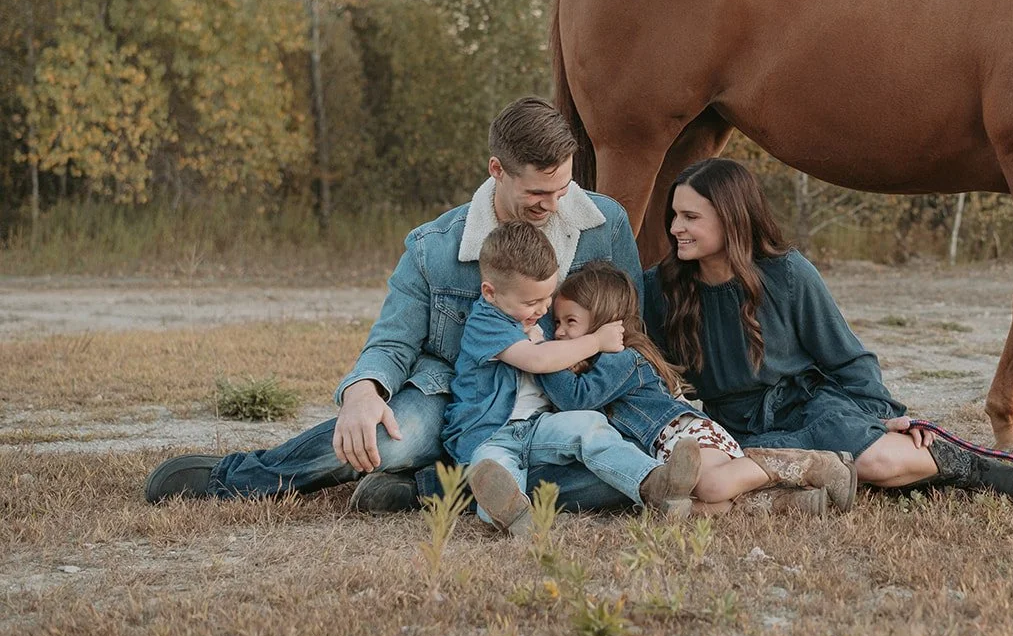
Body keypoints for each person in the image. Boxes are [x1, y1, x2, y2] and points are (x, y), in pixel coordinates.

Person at [143, 96, 646, 514]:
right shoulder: (435, 247)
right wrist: (363, 392)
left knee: (621, 464)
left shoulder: (606, 224)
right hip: (459, 400)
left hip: (571, 393)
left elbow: (633, 326)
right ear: (497, 170)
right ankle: (237, 476)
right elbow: (393, 339)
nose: (553, 205)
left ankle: (427, 490)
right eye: (538, 192)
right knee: (386, 443)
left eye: (563, 189)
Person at [643, 158, 1013, 499]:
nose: (676, 227)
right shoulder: (660, 289)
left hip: (809, 410)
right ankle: (838, 472)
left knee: (879, 462)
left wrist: (879, 416)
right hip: (736, 431)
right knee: (712, 482)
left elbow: (849, 359)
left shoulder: (787, 275)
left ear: (731, 218)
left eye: (691, 217)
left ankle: (963, 465)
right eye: (674, 215)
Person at [543, 261, 855, 516]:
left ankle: (814, 464)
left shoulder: (622, 358)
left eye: (570, 321)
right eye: (556, 323)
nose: (559, 332)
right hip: (664, 453)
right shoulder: (596, 362)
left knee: (712, 488)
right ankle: (796, 503)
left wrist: (541, 358)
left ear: (607, 320)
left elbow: (575, 398)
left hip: (684, 436)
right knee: (698, 507)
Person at [449, 223, 700, 533]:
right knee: (491, 470)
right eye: (531, 303)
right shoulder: (486, 321)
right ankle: (513, 515)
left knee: (588, 425)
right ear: (490, 292)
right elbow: (538, 360)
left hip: (537, 427)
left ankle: (654, 483)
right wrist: (596, 341)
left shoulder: (532, 316)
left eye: (546, 299)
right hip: (490, 435)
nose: (542, 310)